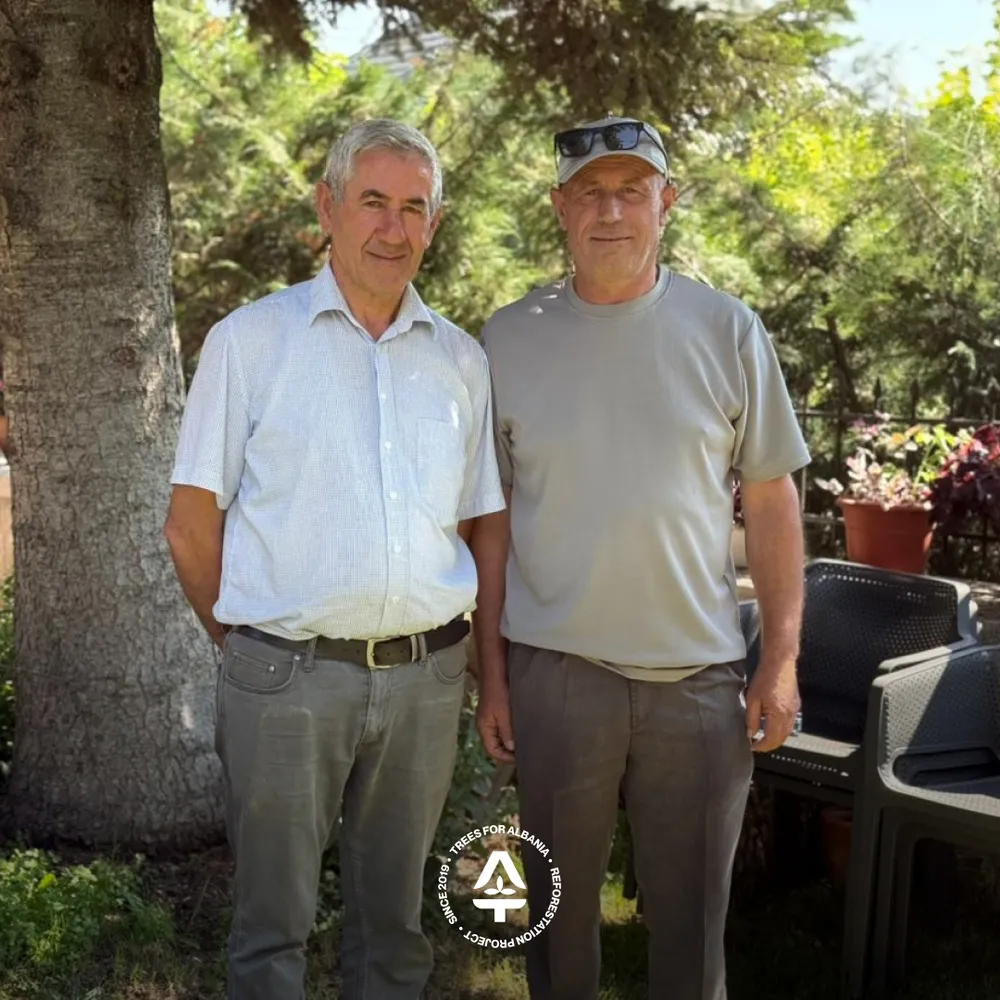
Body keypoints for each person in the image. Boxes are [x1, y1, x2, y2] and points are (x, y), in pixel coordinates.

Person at [164, 118, 505, 1000]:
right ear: (327, 207)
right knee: (271, 929)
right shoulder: (250, 341)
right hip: (285, 678)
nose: (393, 228)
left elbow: (479, 523)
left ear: (434, 224)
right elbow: (191, 524)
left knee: (394, 930)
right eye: (372, 202)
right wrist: (249, 641)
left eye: (414, 209)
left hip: (426, 683)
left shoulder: (461, 360)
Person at [473, 116, 811, 1000]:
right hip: (556, 676)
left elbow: (771, 501)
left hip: (698, 683)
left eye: (632, 190)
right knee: (555, 933)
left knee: (692, 938)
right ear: (559, 207)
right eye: (590, 192)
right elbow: (491, 520)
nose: (611, 210)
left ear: (668, 202)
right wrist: (494, 675)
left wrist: (779, 661)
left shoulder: (729, 330)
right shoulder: (506, 339)